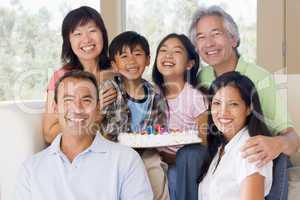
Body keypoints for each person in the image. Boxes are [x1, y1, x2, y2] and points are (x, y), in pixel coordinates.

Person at [176, 5, 300, 200]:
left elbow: (292, 138)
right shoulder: (202, 77)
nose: (209, 43)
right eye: (201, 37)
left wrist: (276, 144)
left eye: (215, 34)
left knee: (268, 156)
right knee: (190, 154)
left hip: (261, 152)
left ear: (233, 39)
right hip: (223, 149)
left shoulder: (260, 79)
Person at [15, 71, 153, 200]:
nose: (77, 108)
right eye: (68, 100)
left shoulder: (126, 160)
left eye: (86, 100)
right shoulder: (31, 169)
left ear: (98, 107)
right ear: (56, 108)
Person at [101, 31, 169, 200]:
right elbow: (100, 124)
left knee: (155, 168)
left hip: (146, 151)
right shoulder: (109, 90)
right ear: (114, 65)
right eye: (124, 56)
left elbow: (160, 127)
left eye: (137, 54)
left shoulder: (155, 93)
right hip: (115, 150)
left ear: (147, 59)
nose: (131, 61)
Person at [42, 6, 117, 144]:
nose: (87, 39)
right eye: (77, 34)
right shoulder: (61, 77)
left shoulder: (117, 71)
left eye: (92, 30)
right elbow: (49, 134)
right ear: (68, 41)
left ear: (103, 35)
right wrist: (93, 113)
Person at [199, 71, 273, 199]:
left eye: (233, 104)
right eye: (217, 103)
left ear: (249, 108)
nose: (223, 112)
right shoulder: (222, 146)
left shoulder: (251, 150)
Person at [151, 33, 208, 200]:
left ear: (190, 63)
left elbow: (203, 144)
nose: (168, 55)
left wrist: (174, 158)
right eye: (163, 50)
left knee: (175, 176)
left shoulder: (195, 97)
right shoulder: (152, 94)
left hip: (184, 164)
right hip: (158, 159)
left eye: (176, 51)